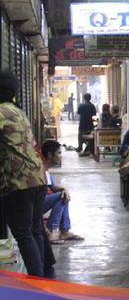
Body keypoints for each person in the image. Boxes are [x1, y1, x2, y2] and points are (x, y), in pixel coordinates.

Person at [0, 69, 49, 277]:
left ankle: (38, 285)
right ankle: (44, 280)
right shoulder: (18, 110)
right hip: (38, 177)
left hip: (19, 181)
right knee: (34, 230)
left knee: (23, 234)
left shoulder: (1, 111)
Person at [40, 140, 84, 243]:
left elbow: (52, 186)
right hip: (35, 204)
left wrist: (64, 189)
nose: (61, 156)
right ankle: (53, 230)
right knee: (61, 196)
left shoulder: (45, 169)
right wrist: (62, 192)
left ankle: (64, 230)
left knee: (64, 194)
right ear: (50, 155)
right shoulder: (41, 168)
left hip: (41, 200)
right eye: (59, 153)